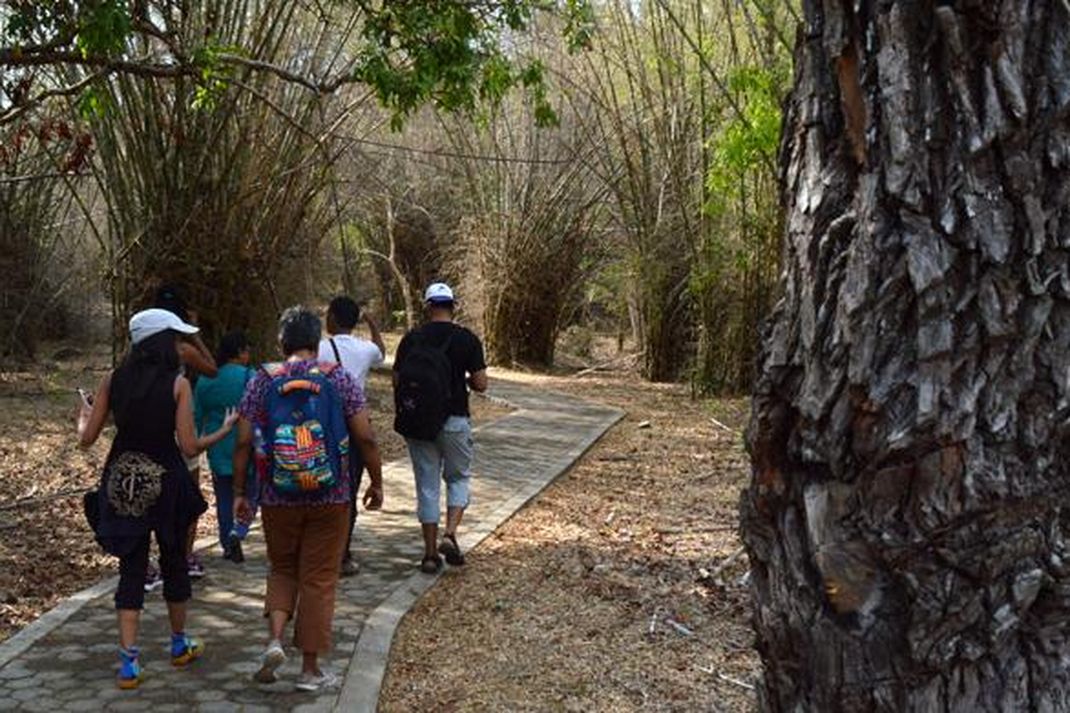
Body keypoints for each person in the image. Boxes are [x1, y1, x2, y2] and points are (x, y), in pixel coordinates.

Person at [77, 308, 238, 689]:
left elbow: (86, 438)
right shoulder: (177, 384)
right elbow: (187, 444)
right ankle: (179, 645)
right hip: (166, 480)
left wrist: (82, 415)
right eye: (177, 337)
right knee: (173, 561)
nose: (181, 344)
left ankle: (129, 663)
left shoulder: (112, 380)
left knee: (131, 569)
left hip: (122, 479)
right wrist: (222, 431)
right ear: (162, 341)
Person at [232, 306, 384, 692]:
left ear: (281, 341)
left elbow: (245, 441)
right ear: (316, 343)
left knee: (282, 568)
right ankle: (310, 671)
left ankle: (274, 641)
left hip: (277, 495)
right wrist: (376, 481)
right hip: (331, 494)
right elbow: (365, 437)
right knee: (317, 578)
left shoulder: (262, 380)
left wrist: (239, 493)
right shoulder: (340, 379)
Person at [393, 282, 488, 574]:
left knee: (427, 486)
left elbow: (397, 380)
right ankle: (450, 534)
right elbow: (482, 384)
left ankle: (430, 555)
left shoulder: (412, 338)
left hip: (420, 423)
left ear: (428, 305)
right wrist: (466, 381)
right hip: (455, 420)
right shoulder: (467, 339)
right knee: (458, 477)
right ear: (452, 305)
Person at [318, 296, 385, 577]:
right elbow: (381, 351)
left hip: (321, 426)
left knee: (320, 487)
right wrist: (370, 321)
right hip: (355, 427)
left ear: (331, 318)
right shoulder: (365, 349)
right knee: (348, 492)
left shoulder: (318, 347)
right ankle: (342, 554)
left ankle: (318, 552)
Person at [154, 286, 217, 581]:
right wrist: (195, 333)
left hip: (149, 430)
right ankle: (184, 556)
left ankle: (155, 560)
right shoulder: (182, 348)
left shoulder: (141, 349)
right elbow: (212, 369)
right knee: (190, 495)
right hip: (181, 429)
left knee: (154, 497)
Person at [194, 330, 254, 563]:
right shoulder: (250, 376)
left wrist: (196, 442)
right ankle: (238, 532)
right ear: (239, 352)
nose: (249, 355)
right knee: (251, 494)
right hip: (246, 446)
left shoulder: (206, 378)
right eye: (247, 350)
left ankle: (226, 541)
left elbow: (197, 415)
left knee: (224, 497)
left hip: (217, 445)